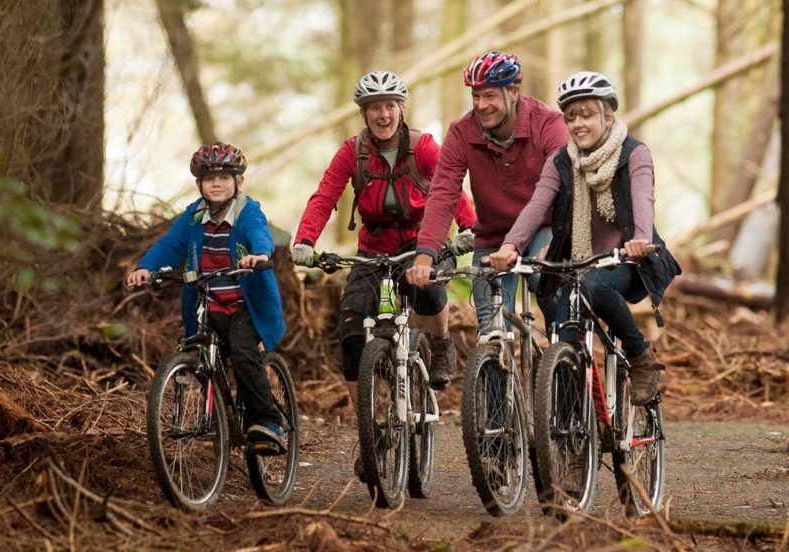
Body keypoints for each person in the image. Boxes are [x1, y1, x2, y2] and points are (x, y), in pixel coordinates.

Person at [488, 71, 680, 405]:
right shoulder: (560, 161)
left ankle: (640, 358)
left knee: (593, 286)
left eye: (587, 115)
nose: (578, 124)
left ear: (608, 116)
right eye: (571, 117)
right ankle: (569, 444)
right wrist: (510, 245)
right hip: (577, 263)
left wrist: (640, 238)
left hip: (627, 261)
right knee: (562, 342)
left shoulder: (634, 154)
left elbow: (642, 199)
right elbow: (537, 206)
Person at [292, 71, 477, 391]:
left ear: (401, 108)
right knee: (350, 333)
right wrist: (305, 241)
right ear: (364, 113)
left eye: (390, 106)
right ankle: (366, 432)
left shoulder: (424, 147)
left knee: (426, 284)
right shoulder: (353, 152)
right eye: (375, 107)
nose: (383, 114)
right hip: (374, 249)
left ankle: (440, 342)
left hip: (423, 243)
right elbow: (324, 196)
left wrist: (469, 227)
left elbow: (450, 189)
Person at [126, 142, 288, 452]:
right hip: (207, 302)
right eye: (209, 178)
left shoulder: (247, 212)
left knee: (242, 353)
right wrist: (146, 268)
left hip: (245, 304)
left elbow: (260, 234)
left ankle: (268, 422)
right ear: (199, 183)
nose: (216, 184)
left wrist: (258, 255)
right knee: (200, 353)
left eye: (225, 178)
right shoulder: (193, 216)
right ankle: (220, 420)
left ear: (238, 182)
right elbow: (170, 244)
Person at [405, 51, 570, 340]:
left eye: (490, 96)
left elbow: (566, 185)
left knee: (546, 283)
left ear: (514, 92)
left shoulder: (548, 123)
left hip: (544, 227)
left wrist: (560, 242)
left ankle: (568, 349)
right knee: (490, 329)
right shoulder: (462, 132)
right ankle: (494, 378)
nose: (482, 105)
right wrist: (425, 254)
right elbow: (443, 194)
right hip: (493, 236)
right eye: (476, 96)